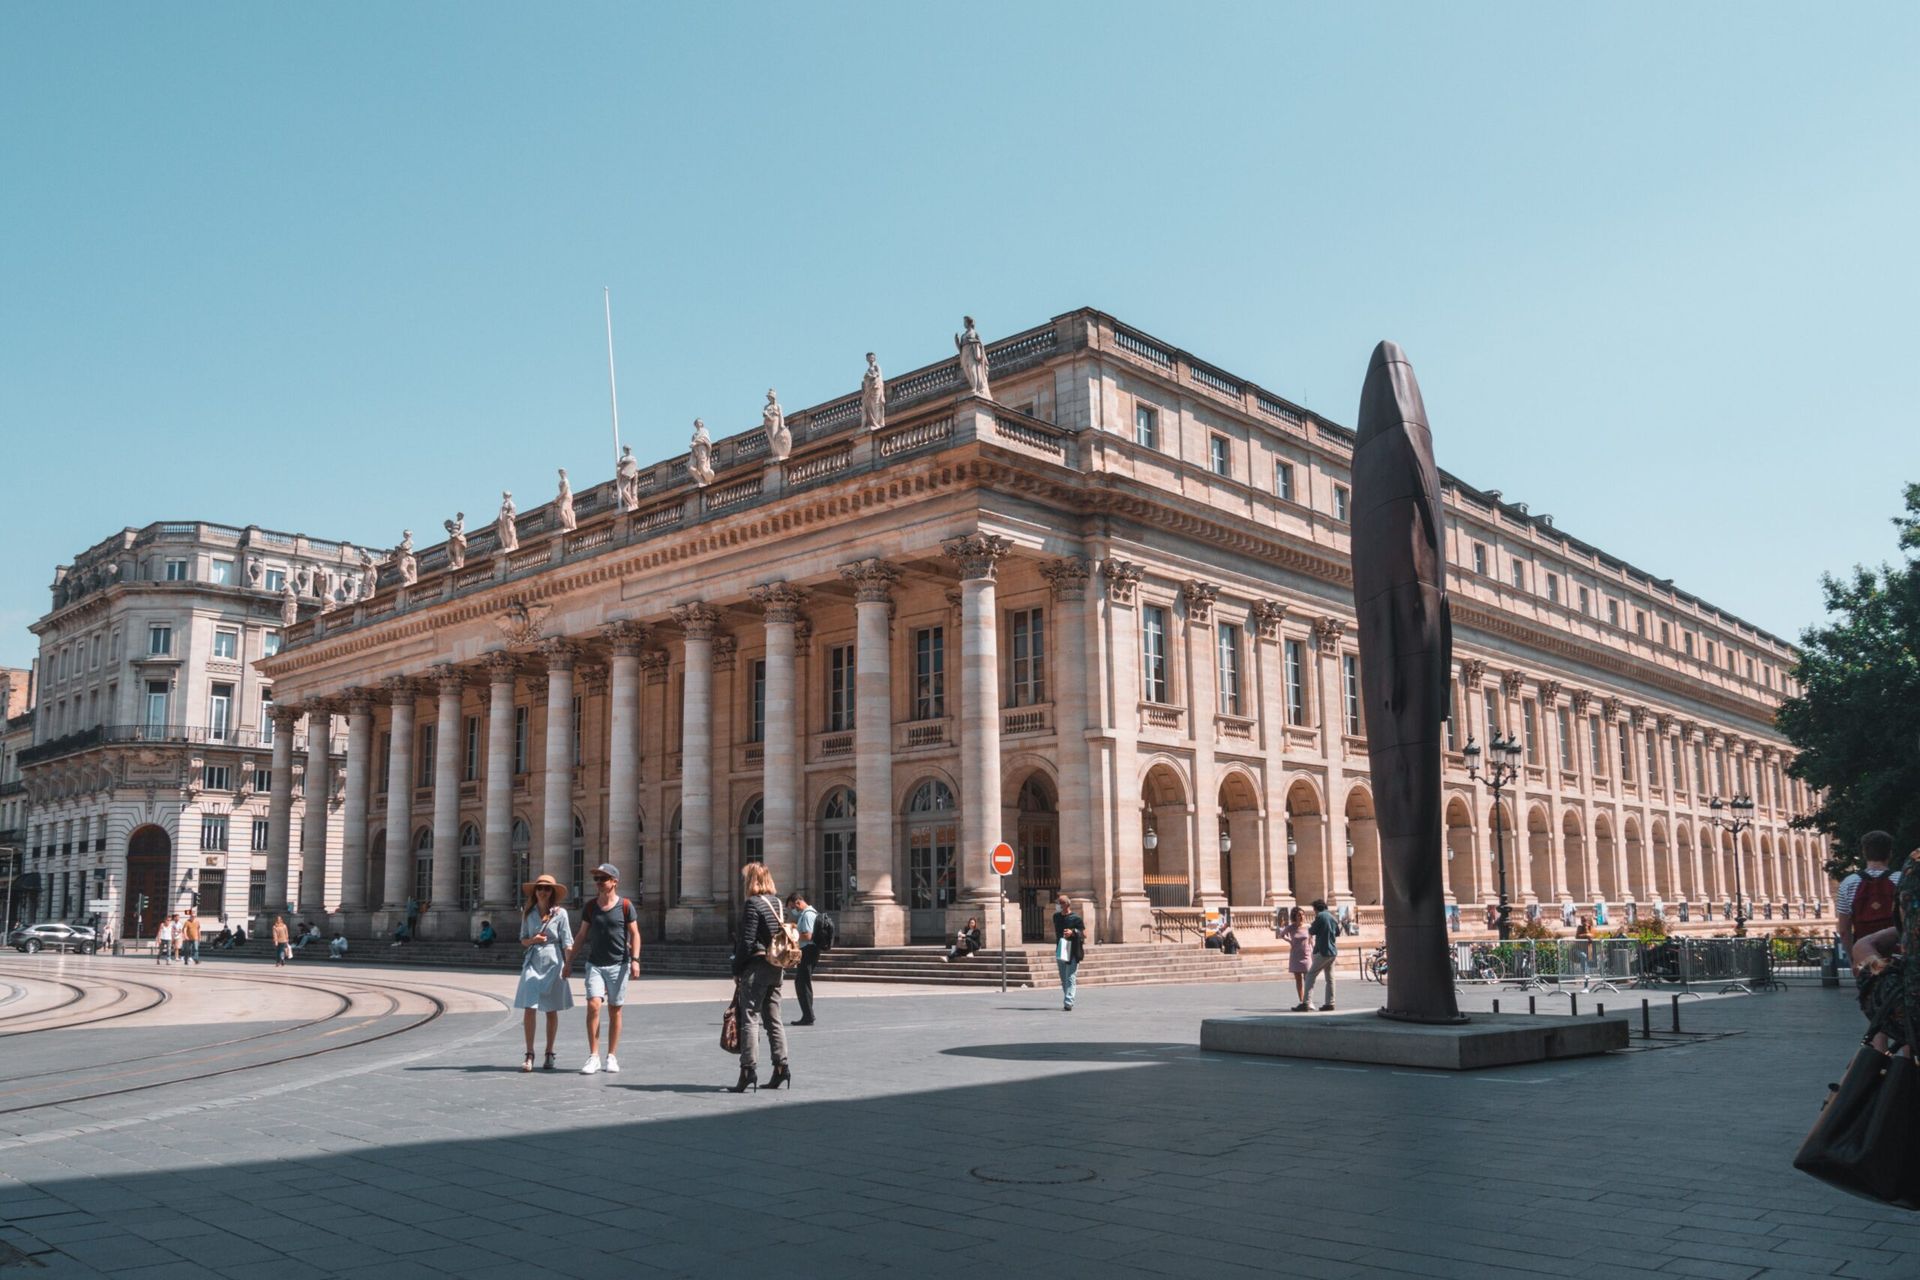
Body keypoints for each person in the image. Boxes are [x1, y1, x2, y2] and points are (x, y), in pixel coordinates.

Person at [564, 863, 641, 1074]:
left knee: (615, 1010)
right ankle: (594, 1056)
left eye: (603, 879)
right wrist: (569, 961)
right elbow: (581, 936)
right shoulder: (590, 907)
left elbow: (635, 934)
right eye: (596, 879)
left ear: (614, 882)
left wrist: (635, 959)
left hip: (619, 964)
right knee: (593, 1005)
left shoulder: (625, 906)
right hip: (595, 964)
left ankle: (612, 1056)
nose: (598, 882)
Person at [729, 862, 791, 1093]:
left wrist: (736, 968)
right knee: (774, 1019)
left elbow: (747, 942)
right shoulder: (776, 903)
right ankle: (781, 1067)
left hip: (756, 967)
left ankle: (748, 1070)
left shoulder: (752, 904)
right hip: (776, 967)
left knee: (750, 1018)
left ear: (751, 880)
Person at [513, 874, 574, 1072]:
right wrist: (533, 940)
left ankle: (549, 1052)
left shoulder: (561, 914)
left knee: (551, 1008)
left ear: (552, 892)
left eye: (547, 889)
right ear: (535, 891)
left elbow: (567, 940)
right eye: (540, 888)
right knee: (529, 1007)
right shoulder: (528, 913)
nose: (543, 891)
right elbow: (523, 939)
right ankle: (529, 1053)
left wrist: (568, 963)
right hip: (533, 959)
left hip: (553, 960)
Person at [1837, 830, 1902, 970]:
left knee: (1871, 989)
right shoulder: (1902, 880)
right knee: (1896, 990)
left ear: (1864, 853)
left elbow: (1844, 930)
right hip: (1899, 956)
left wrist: (1853, 959)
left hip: (1866, 960)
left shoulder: (1848, 884)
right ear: (1890, 853)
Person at [788, 891, 819, 1026]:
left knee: (802, 983)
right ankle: (808, 1014)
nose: (792, 910)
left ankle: (808, 1016)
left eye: (792, 907)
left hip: (808, 951)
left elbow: (808, 936)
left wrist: (793, 934)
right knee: (803, 982)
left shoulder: (807, 915)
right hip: (809, 951)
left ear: (798, 902)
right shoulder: (809, 913)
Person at [1052, 893, 1085, 1012]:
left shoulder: (1076, 918)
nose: (1058, 905)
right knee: (1063, 977)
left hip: (1073, 949)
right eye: (1057, 903)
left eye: (1060, 903)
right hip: (1061, 947)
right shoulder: (1056, 917)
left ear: (1066, 904)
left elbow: (1084, 934)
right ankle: (1068, 996)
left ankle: (1068, 1002)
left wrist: (1073, 932)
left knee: (1070, 976)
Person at [1306, 898, 1340, 1011]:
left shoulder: (1320, 916)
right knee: (1330, 978)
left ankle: (1306, 1002)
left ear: (1316, 909)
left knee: (1310, 975)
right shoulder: (1333, 917)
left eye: (1314, 910)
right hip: (1332, 951)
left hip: (1323, 951)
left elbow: (1312, 931)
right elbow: (1338, 932)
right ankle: (1330, 1002)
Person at [1280, 906, 1313, 1011]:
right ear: (1295, 916)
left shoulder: (1308, 927)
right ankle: (1302, 1001)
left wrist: (1313, 948)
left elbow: (1312, 939)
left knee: (1308, 980)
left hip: (1306, 955)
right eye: (1299, 915)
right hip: (1295, 956)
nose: (1302, 916)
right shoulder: (1292, 927)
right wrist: (1289, 941)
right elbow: (1281, 934)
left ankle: (1309, 1001)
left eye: (1303, 914)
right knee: (1298, 980)